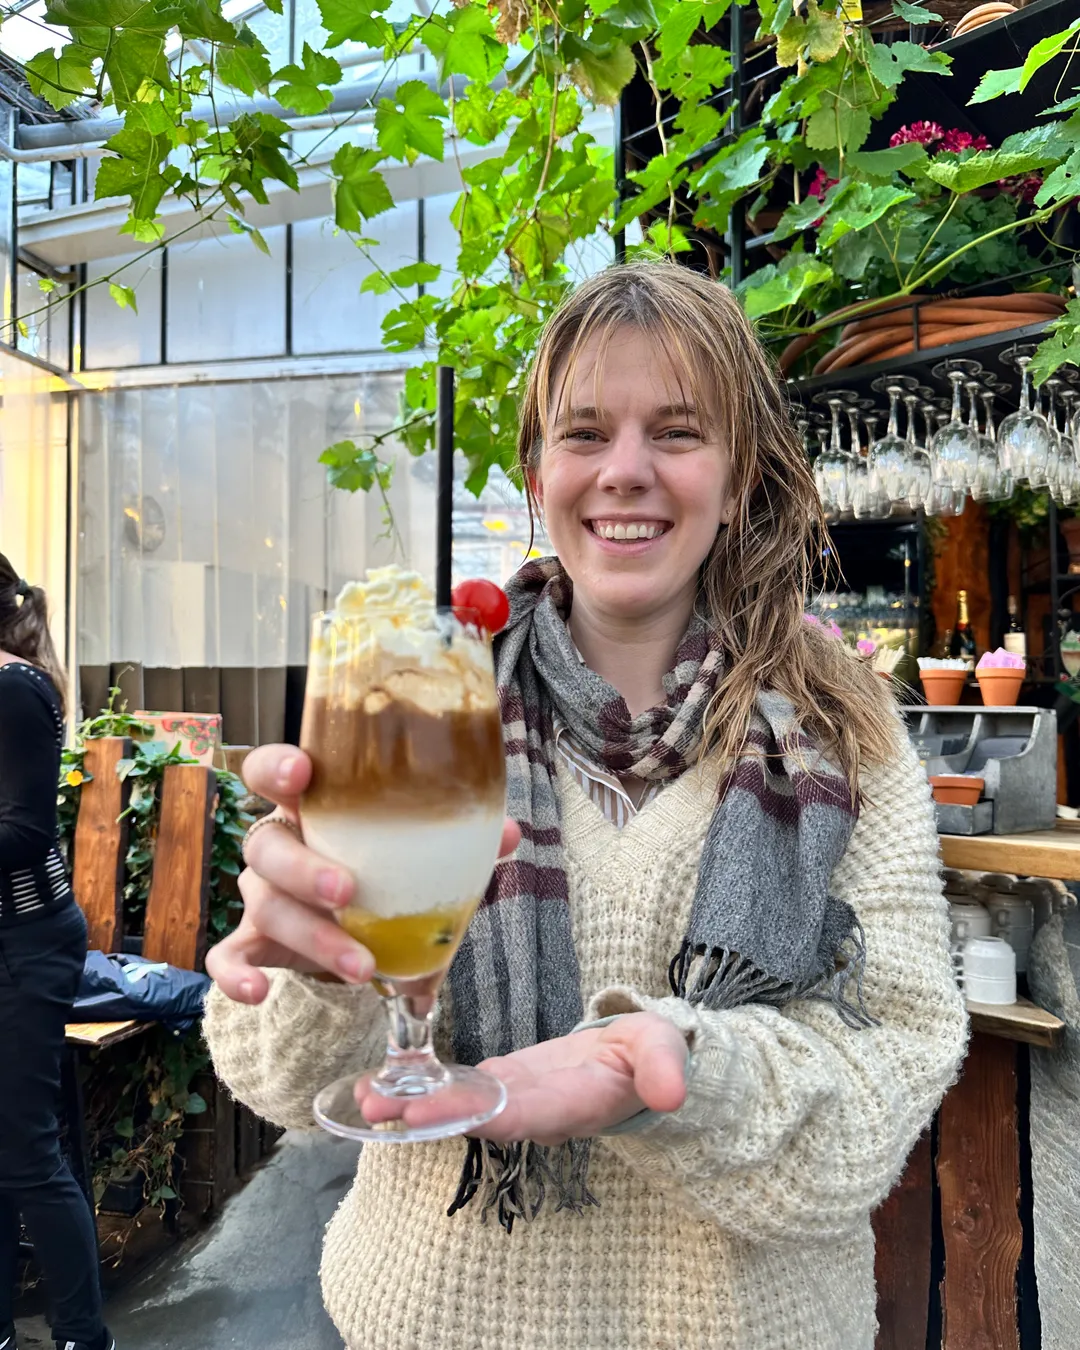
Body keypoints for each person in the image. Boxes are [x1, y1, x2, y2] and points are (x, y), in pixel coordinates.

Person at [203, 261, 967, 1350]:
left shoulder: (843, 726)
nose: (625, 471)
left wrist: (674, 1072)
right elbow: (292, 1086)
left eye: (678, 432)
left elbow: (892, 1067)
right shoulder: (423, 697)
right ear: (537, 473)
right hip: (430, 1322)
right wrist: (319, 973)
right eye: (585, 434)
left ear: (740, 477)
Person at [0, 554, 114, 1350]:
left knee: (26, 1151)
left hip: (26, 943)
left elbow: (25, 832)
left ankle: (81, 1336)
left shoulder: (14, 688)